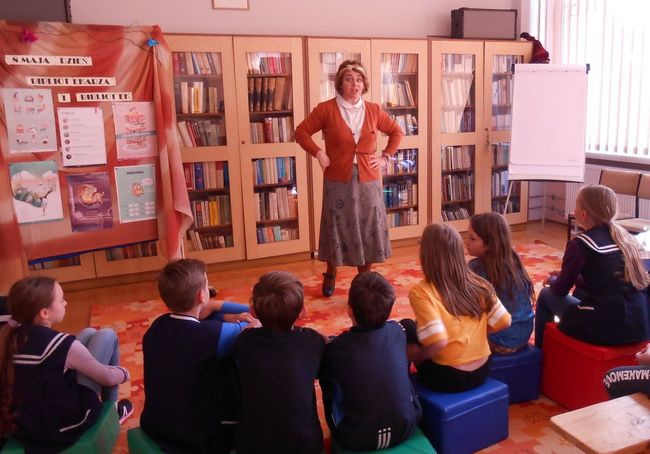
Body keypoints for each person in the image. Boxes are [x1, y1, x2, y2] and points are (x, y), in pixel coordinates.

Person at [295, 59, 404, 297]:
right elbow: (301, 132)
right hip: (337, 180)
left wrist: (385, 157)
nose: (354, 84)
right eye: (349, 79)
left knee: (367, 226)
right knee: (338, 226)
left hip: (369, 180)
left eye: (358, 80)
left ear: (363, 84)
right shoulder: (325, 109)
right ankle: (331, 270)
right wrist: (319, 153)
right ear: (340, 84)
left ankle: (364, 279)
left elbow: (397, 131)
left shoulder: (374, 110)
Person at [0, 276, 132, 452]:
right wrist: (124, 373)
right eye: (61, 300)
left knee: (88, 333)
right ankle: (111, 412)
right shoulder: (61, 343)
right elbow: (107, 377)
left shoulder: (9, 337)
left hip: (24, 425)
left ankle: (111, 410)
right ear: (44, 313)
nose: (66, 303)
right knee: (107, 335)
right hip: (59, 426)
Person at [140, 259, 255, 454]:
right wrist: (222, 309)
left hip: (154, 426)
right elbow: (256, 318)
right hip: (194, 439)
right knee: (234, 355)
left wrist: (216, 310)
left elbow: (207, 319)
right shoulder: (209, 335)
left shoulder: (157, 325)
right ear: (202, 295)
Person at [534, 184, 650, 348]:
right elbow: (609, 279)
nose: (573, 211)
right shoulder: (627, 239)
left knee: (546, 294)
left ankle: (540, 352)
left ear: (583, 214)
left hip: (607, 328)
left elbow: (560, 290)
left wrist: (554, 279)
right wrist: (574, 278)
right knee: (582, 290)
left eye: (575, 206)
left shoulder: (580, 244)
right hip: (640, 324)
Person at [404, 223, 512, 393]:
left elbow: (439, 341)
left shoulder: (421, 292)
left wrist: (418, 355)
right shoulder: (480, 283)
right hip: (483, 369)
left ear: (426, 254)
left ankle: (401, 390)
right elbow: (505, 321)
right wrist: (475, 333)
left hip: (449, 377)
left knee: (406, 326)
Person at [319, 272, 421, 451]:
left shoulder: (335, 349)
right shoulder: (398, 331)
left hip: (354, 437)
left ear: (350, 309)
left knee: (328, 374)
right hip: (406, 427)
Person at [235, 271, 325, 454]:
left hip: (254, 445)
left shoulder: (244, 341)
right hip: (306, 445)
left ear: (253, 312)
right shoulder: (313, 341)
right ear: (302, 312)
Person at [466, 212, 535, 354]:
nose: (466, 242)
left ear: (489, 244)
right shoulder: (513, 260)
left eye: (472, 239)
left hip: (500, 340)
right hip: (523, 335)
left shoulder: (476, 268)